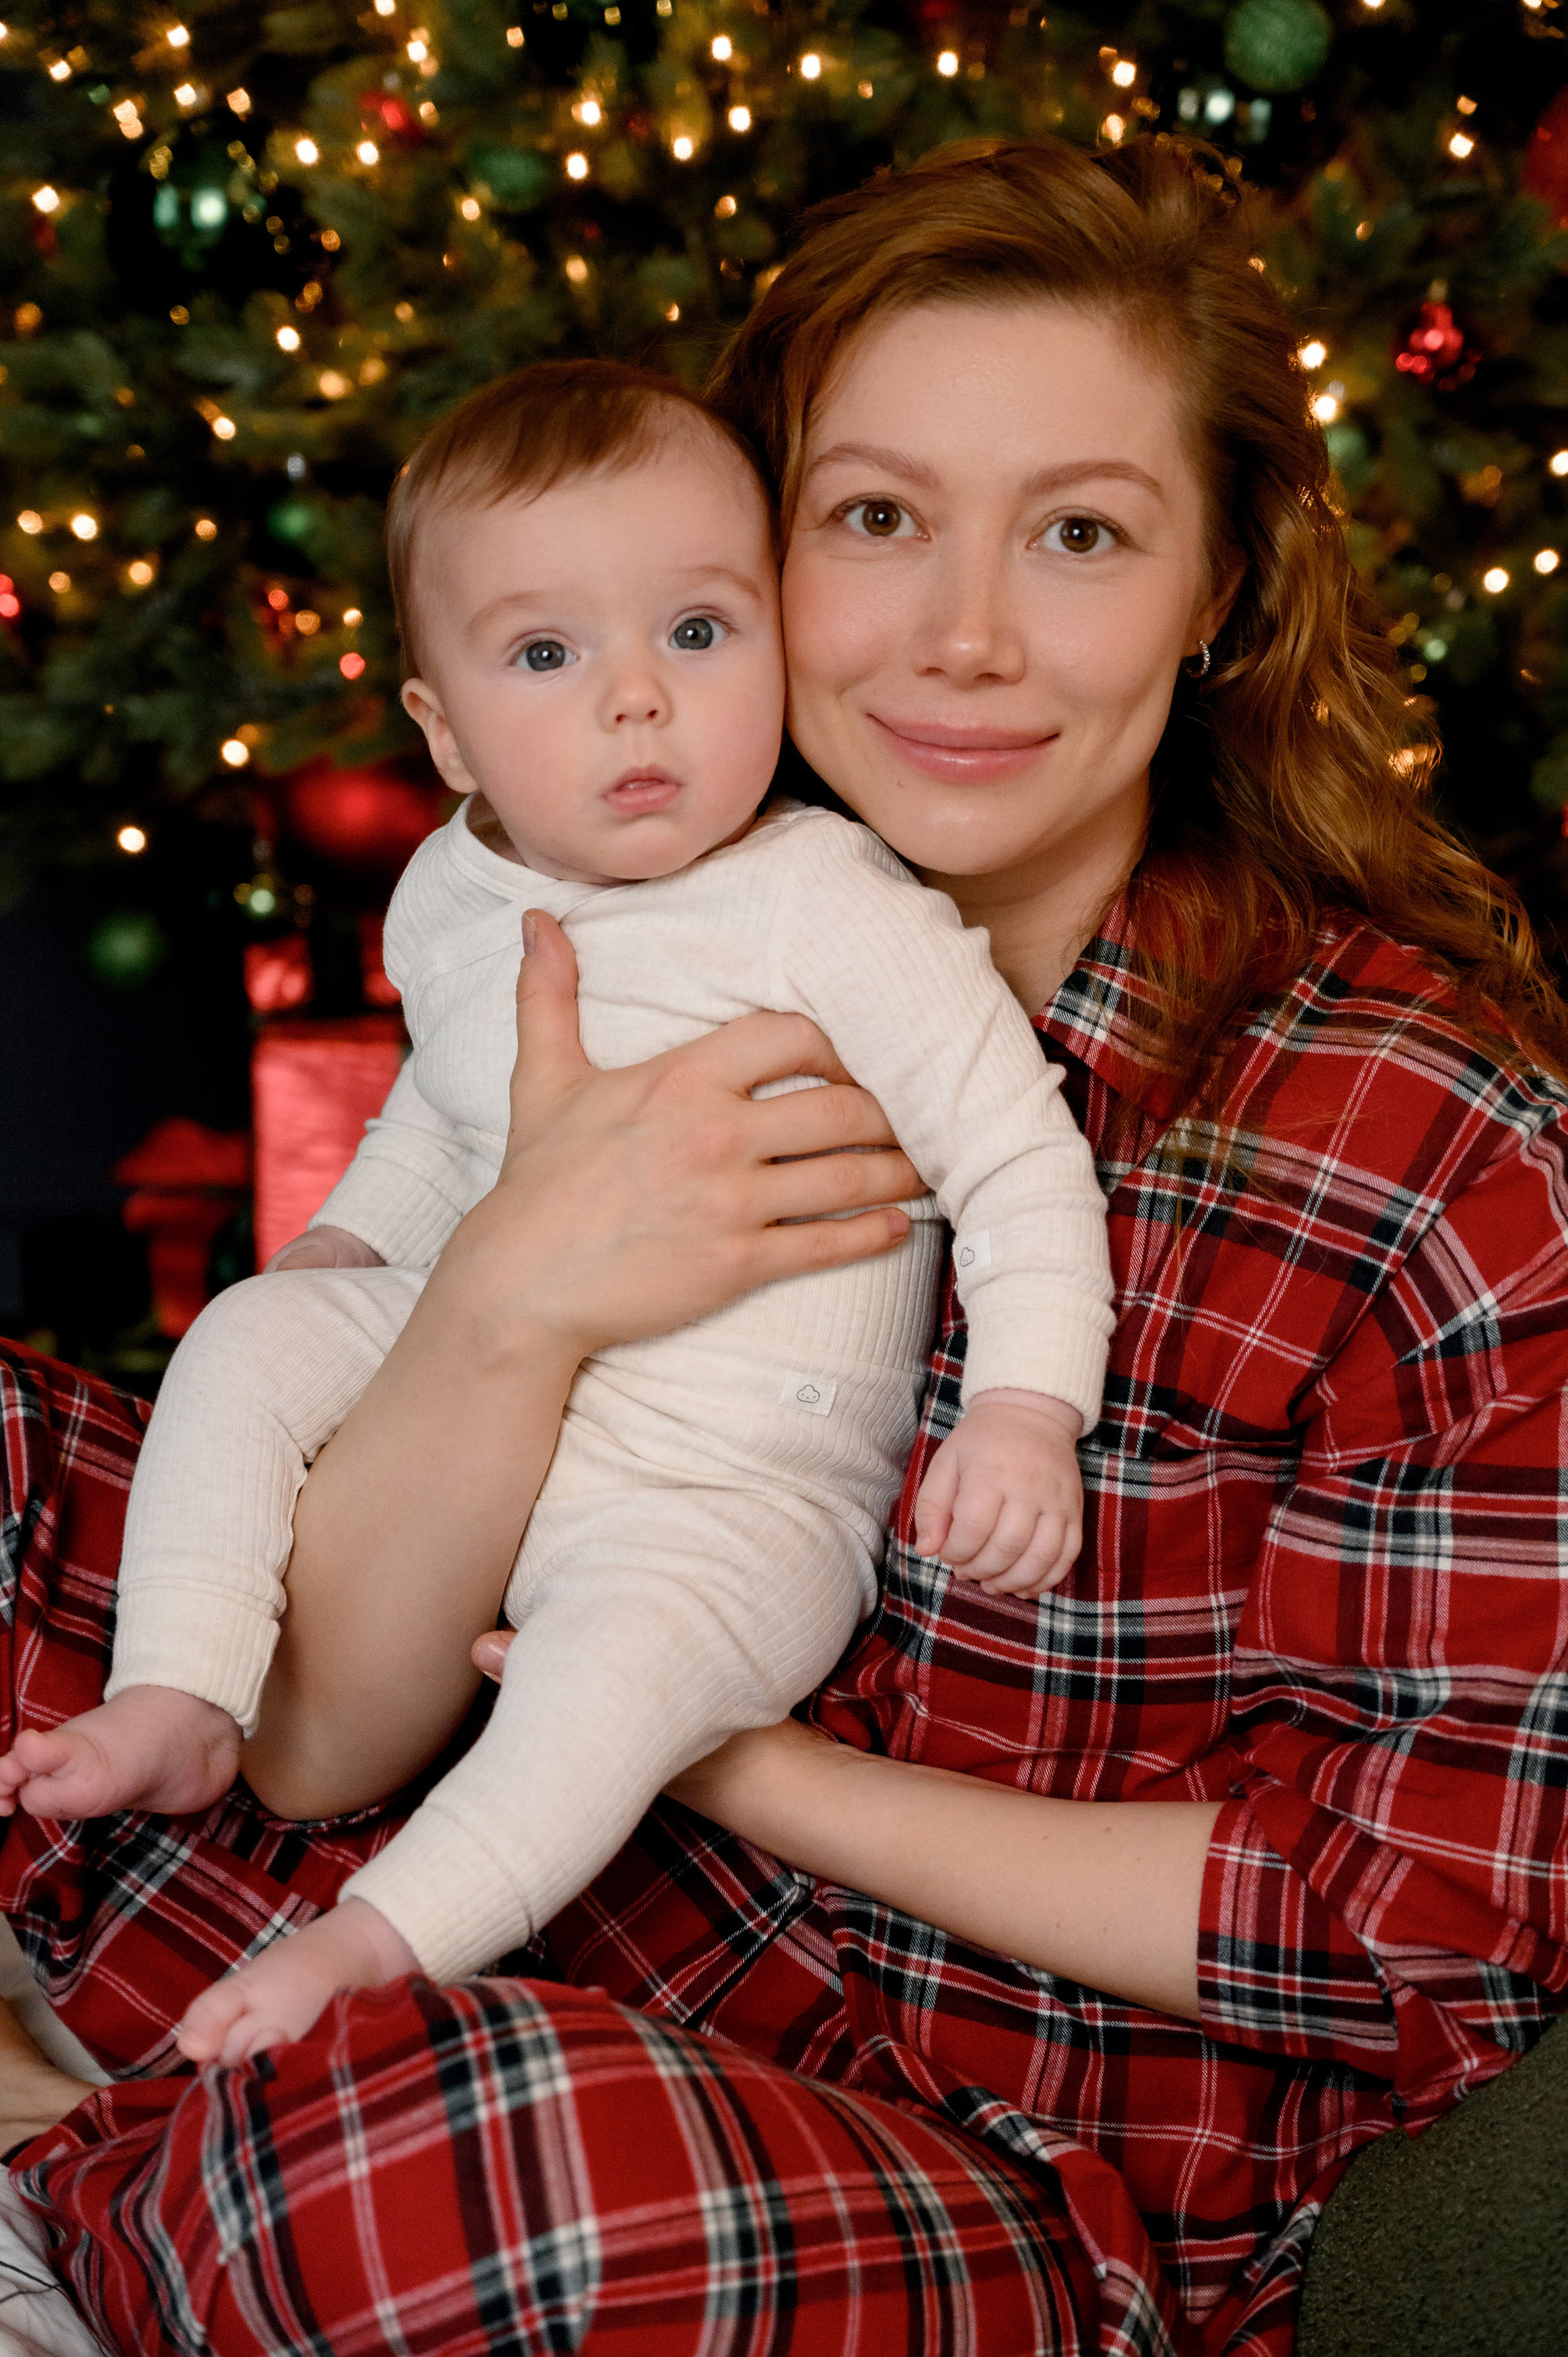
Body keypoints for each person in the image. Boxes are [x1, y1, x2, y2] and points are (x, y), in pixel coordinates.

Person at [0, 132, 1564, 2357]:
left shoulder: (1433, 1147)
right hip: (563, 1914)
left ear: (1214, 589)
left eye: (1084, 534)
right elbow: (317, 1752)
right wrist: (512, 1287)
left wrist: (727, 1751)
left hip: (1014, 2147)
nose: (965, 637)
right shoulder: (613, 917)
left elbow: (1411, 1931)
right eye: (877, 519)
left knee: (426, 2197)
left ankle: (100, 2159)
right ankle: (161, 2164)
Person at [0, 358, 1112, 2064]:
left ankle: (377, 1941)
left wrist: (1032, 1407)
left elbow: (1017, 1154)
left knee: (618, 1674)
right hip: (497, 1377)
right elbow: (432, 1118)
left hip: (732, 1482)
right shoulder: (452, 893)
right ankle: (184, 1688)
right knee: (245, 1334)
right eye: (545, 656)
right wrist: (343, 1261)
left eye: (698, 632)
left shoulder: (826, 901)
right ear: (444, 729)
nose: (637, 703)